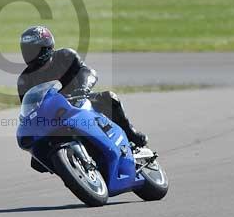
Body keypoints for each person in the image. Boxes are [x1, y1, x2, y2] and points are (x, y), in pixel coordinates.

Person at [16, 25, 150, 149]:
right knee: (37, 158)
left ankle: (130, 133)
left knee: (109, 98)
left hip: (78, 100)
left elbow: (87, 72)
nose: (30, 54)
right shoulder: (24, 79)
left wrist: (83, 88)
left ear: (46, 47)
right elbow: (28, 109)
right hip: (52, 116)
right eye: (27, 50)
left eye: (34, 50)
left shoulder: (66, 56)